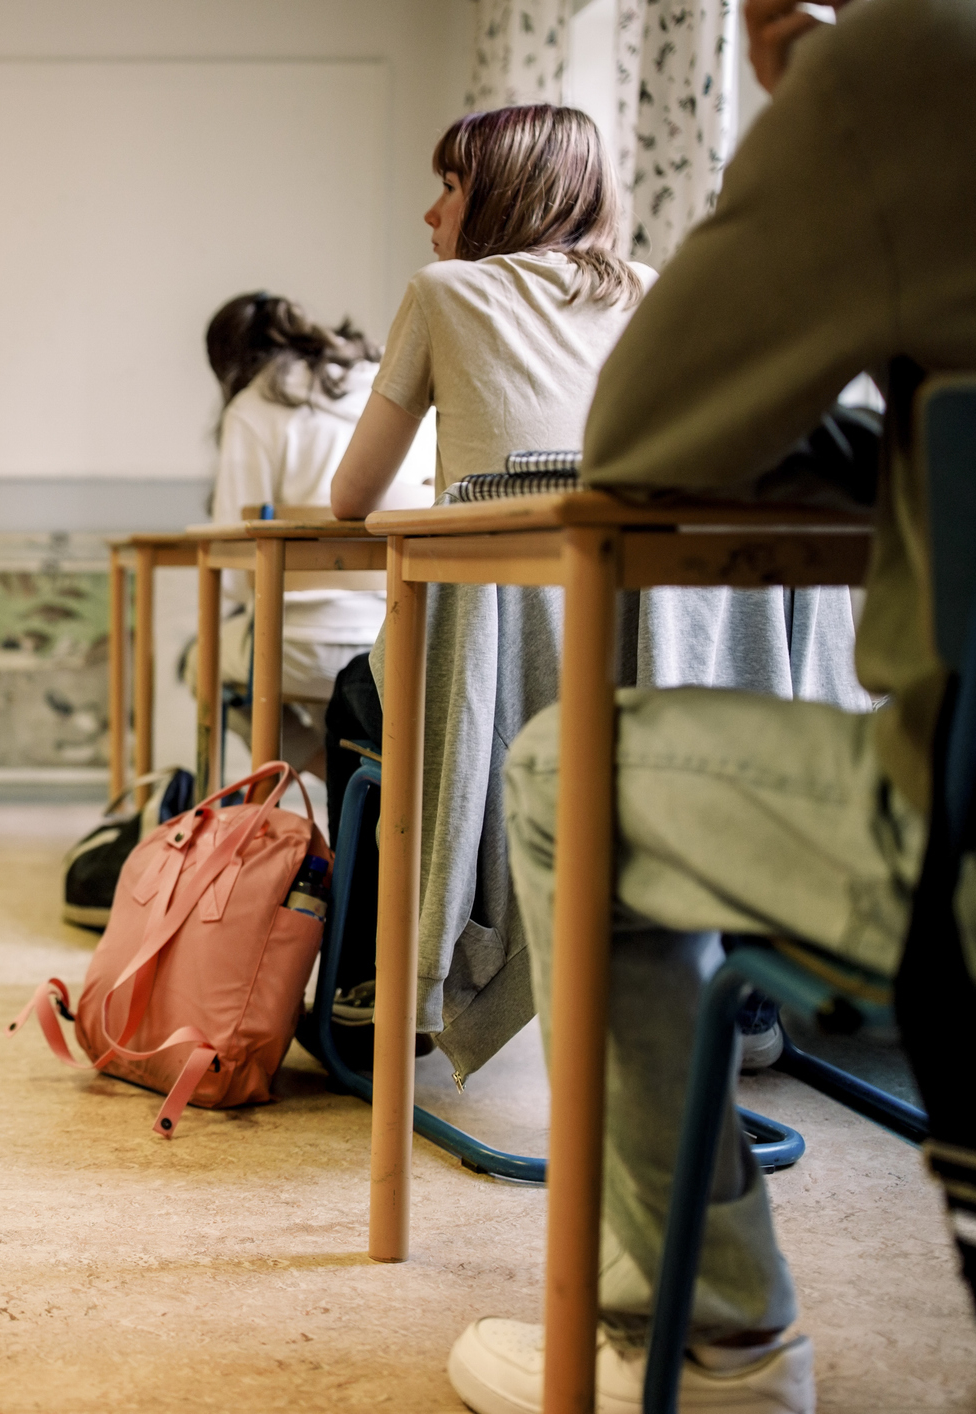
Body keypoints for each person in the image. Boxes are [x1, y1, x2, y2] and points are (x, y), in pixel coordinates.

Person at [448, 1, 976, 1409]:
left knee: (564, 773)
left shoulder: (905, 68)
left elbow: (642, 436)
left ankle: (710, 1336)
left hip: (958, 856)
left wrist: (817, 93)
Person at [323, 103, 868, 1080]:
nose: (429, 210)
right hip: (669, 682)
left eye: (449, 184)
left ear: (505, 193)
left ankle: (386, 988)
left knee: (356, 698)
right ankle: (711, 963)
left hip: (514, 692)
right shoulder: (655, 294)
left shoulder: (444, 292)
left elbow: (351, 497)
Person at [201, 293, 432, 775]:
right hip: (392, 641)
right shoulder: (385, 383)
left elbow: (237, 571)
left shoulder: (253, 405)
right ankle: (357, 777)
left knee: (198, 664)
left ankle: (330, 770)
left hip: (290, 645)